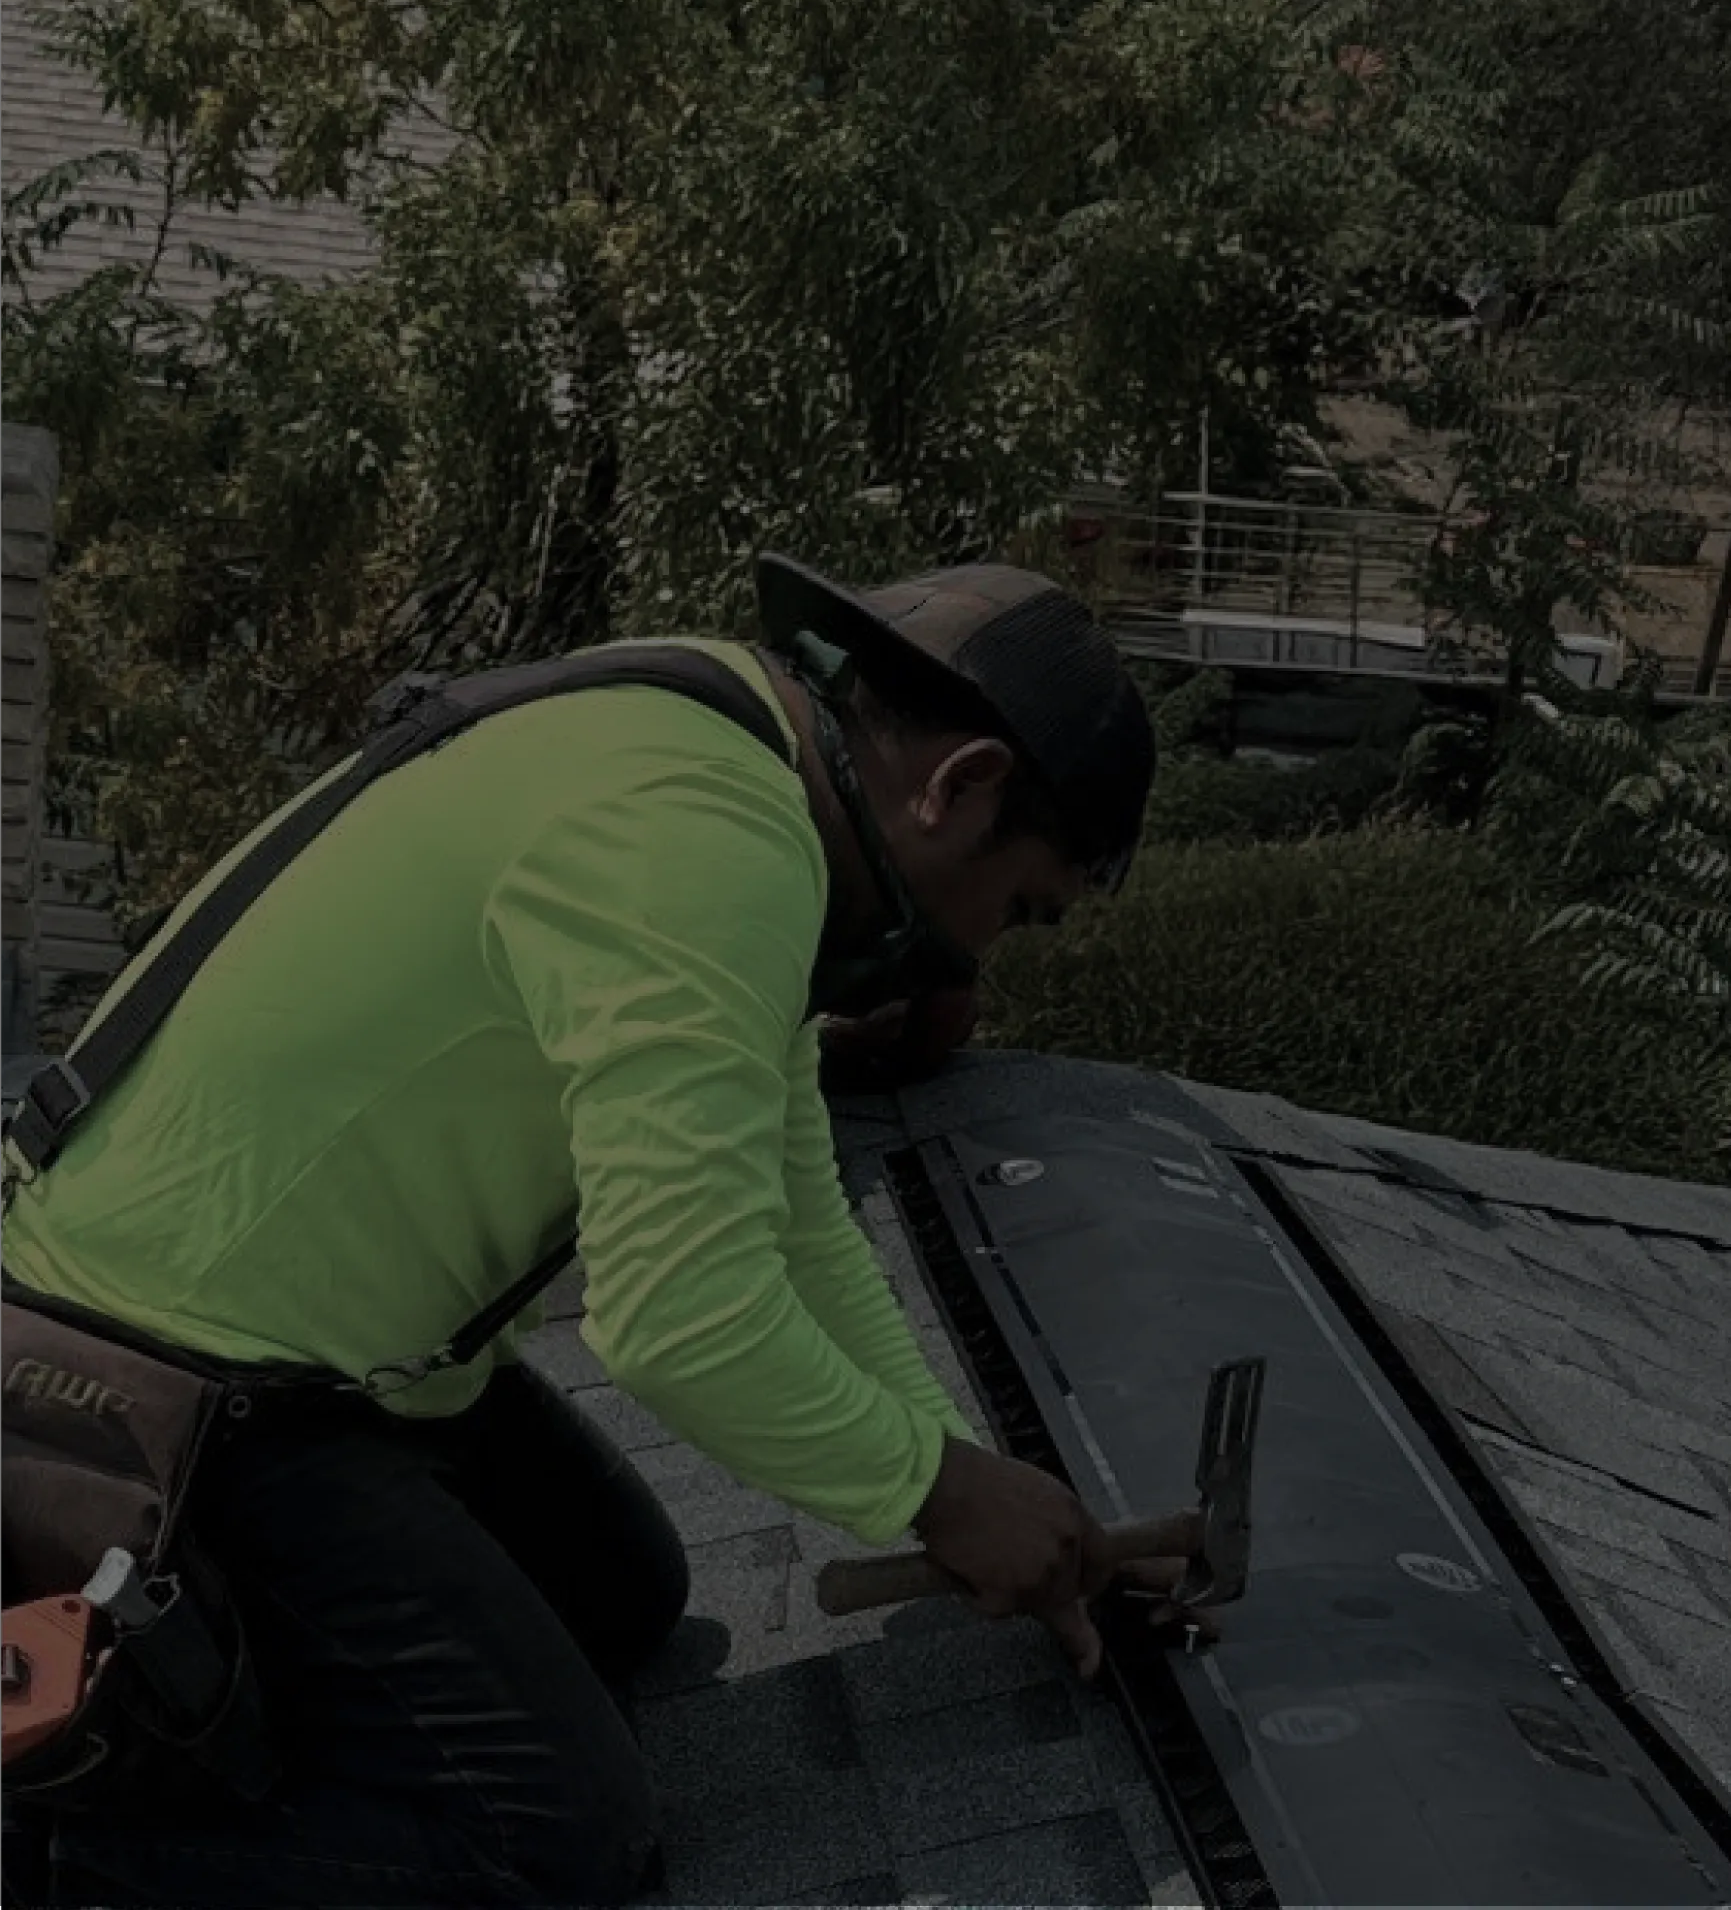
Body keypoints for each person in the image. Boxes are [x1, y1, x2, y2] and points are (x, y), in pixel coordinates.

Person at [0, 554, 1159, 1907]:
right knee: (553, 1844)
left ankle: (281, 1682)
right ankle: (50, 1845)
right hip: (167, 1378)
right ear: (956, 786)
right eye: (1017, 908)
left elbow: (796, 1219)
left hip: (311, 1354)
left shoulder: (716, 747)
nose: (982, 953)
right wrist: (942, 1493)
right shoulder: (707, 837)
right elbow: (684, 1321)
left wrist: (954, 1476)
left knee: (622, 1590)